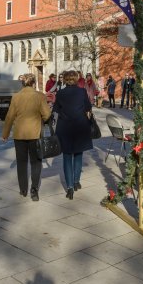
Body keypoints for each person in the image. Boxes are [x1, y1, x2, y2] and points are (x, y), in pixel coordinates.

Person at [2, 73, 51, 202]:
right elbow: (47, 115)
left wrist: (5, 134)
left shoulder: (16, 97)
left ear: (22, 84)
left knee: (21, 162)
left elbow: (9, 117)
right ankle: (34, 190)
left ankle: (23, 189)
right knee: (36, 162)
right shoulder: (40, 96)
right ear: (34, 83)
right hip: (35, 134)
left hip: (19, 135)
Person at [53, 70, 93, 199]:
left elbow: (56, 109)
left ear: (65, 79)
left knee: (66, 157)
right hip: (80, 127)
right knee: (78, 154)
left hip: (65, 127)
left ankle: (69, 187)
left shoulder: (60, 93)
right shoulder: (82, 92)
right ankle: (76, 181)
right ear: (76, 79)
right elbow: (88, 107)